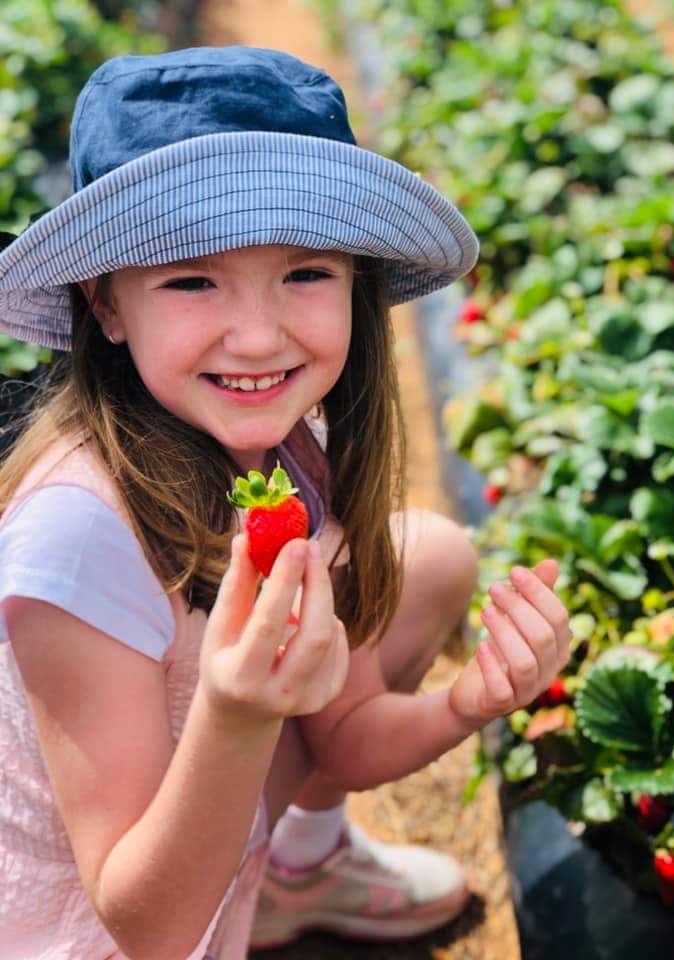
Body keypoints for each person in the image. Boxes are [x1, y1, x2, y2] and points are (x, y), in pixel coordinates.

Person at [0, 45, 572, 960]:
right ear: (105, 306)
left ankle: (299, 874)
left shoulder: (289, 451)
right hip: (100, 927)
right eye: (192, 279)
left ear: (357, 283)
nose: (259, 336)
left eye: (306, 273)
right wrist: (237, 716)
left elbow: (341, 735)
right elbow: (144, 924)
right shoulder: (77, 534)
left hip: (209, 861)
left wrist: (469, 704)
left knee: (428, 557)